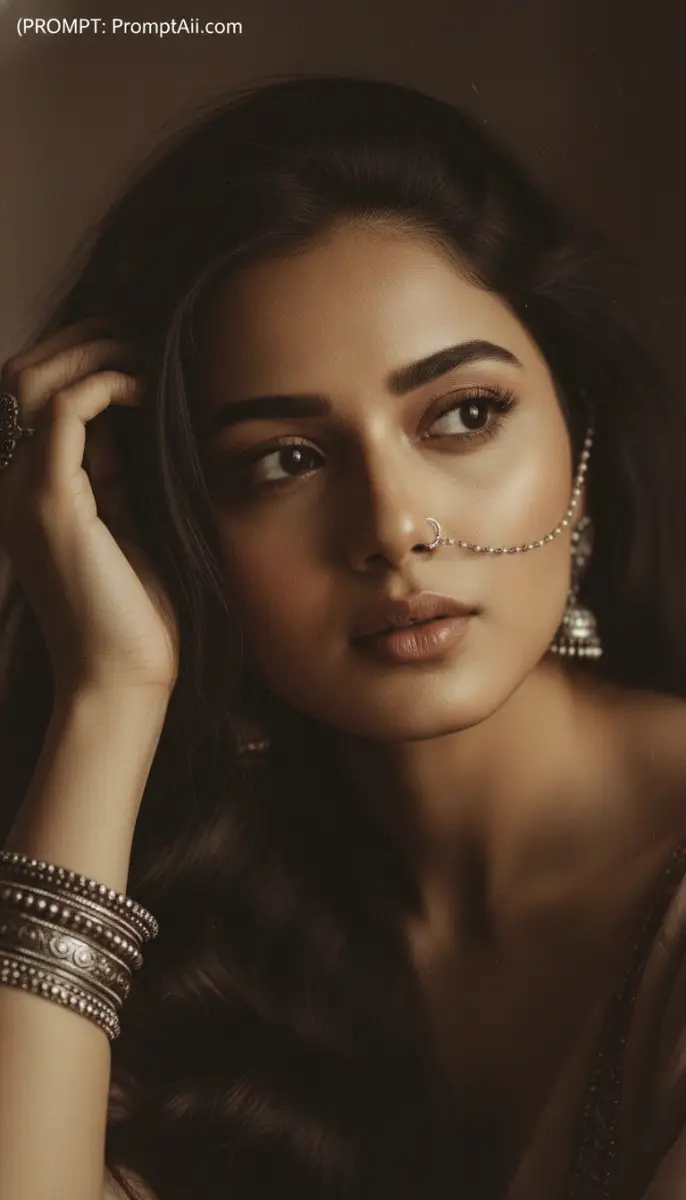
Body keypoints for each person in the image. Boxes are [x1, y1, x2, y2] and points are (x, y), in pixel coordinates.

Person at [1, 72, 686, 1200]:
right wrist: (109, 695)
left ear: (579, 438)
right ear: (172, 526)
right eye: (284, 460)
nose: (391, 528)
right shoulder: (190, 894)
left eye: (462, 415)